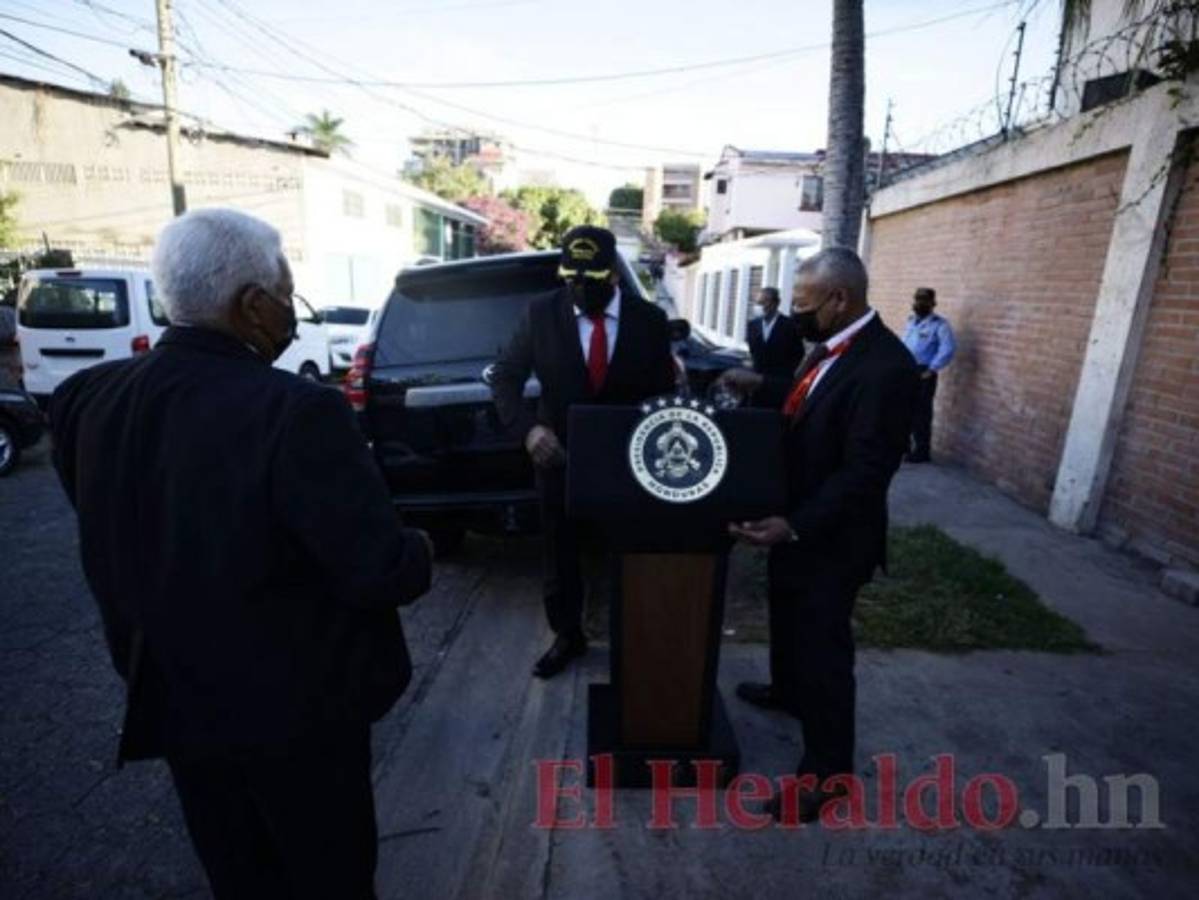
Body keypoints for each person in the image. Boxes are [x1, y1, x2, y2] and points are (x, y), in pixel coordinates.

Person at [48, 209, 433, 899]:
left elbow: (114, 519)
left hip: (176, 702)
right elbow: (377, 570)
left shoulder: (88, 398)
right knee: (328, 878)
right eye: (286, 293)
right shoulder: (297, 411)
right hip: (296, 719)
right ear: (252, 306)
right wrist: (420, 548)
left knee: (238, 876)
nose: (291, 310)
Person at [718, 247, 918, 823]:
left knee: (824, 653)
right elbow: (809, 404)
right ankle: (786, 691)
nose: (797, 315)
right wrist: (761, 384)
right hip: (795, 522)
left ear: (839, 299)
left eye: (804, 306)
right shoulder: (827, 349)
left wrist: (796, 525)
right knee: (786, 615)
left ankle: (826, 778)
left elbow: (867, 472)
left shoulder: (888, 368)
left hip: (831, 538)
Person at [490, 225, 675, 679]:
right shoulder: (541, 314)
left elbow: (662, 393)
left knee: (628, 553)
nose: (578, 289)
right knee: (561, 554)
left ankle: (635, 639)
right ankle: (567, 635)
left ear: (612, 274)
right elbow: (505, 377)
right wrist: (529, 430)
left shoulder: (648, 321)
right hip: (559, 460)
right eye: (570, 278)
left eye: (589, 280)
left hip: (626, 463)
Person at [901, 287, 956, 463]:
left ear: (933, 303)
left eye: (924, 300)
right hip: (907, 370)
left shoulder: (940, 325)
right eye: (917, 300)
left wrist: (932, 369)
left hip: (924, 371)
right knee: (904, 409)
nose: (919, 303)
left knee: (921, 413)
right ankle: (905, 447)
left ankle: (922, 451)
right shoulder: (911, 321)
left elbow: (948, 349)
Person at [746, 285, 804, 380]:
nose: (759, 306)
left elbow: (798, 353)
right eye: (758, 303)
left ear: (776, 303)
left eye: (763, 302)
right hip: (756, 380)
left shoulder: (790, 325)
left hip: (780, 381)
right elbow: (753, 351)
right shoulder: (752, 325)